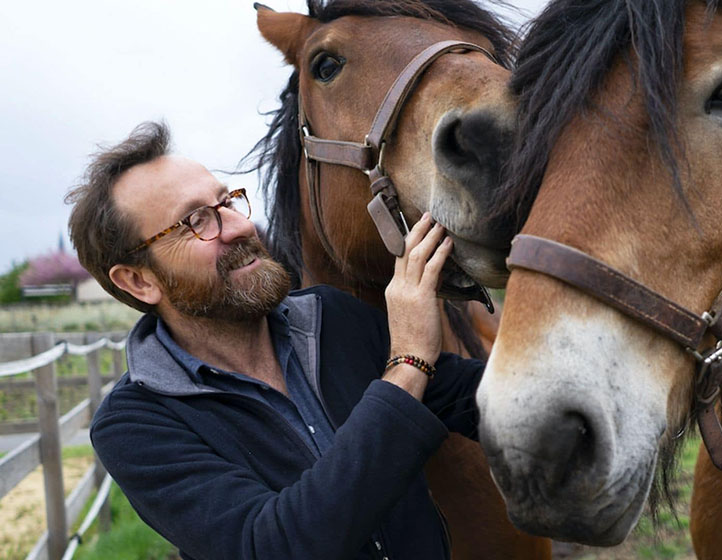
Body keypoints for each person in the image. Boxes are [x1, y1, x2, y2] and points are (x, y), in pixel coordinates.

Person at [66, 121, 484, 560]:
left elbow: (478, 400)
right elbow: (272, 546)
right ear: (138, 280)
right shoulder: (136, 425)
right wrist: (408, 362)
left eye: (227, 202)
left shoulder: (334, 319)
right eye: (196, 221)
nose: (239, 227)